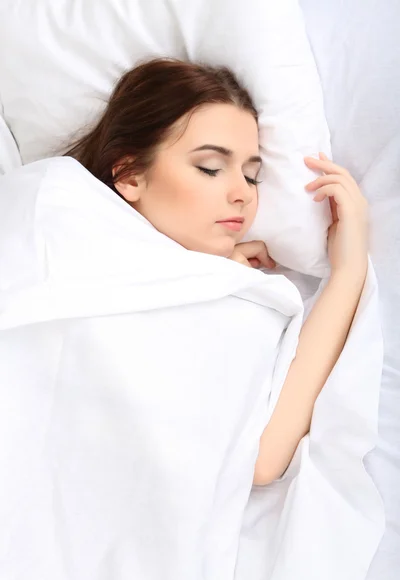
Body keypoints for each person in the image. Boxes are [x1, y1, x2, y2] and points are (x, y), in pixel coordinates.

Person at [65, 57, 368, 485]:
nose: (241, 194)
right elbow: (261, 459)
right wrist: (348, 273)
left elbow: (252, 456)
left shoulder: (231, 295)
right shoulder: (56, 214)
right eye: (210, 167)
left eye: (252, 176)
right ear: (130, 174)